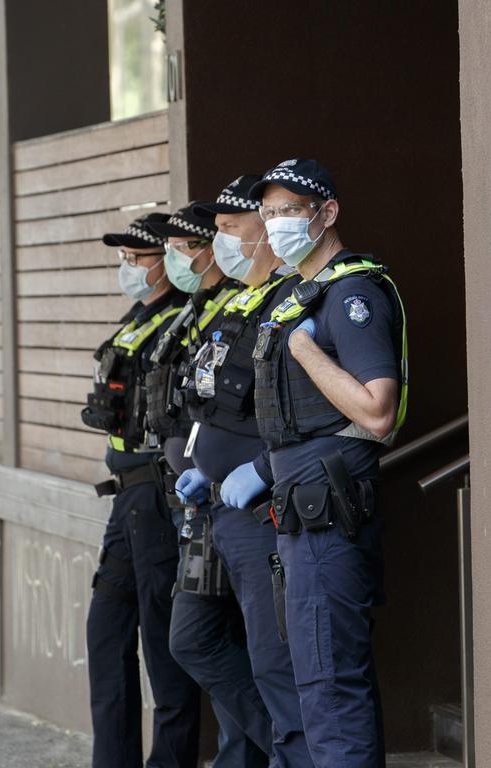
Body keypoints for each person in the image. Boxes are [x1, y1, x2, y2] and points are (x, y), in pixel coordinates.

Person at [248, 158, 408, 767]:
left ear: (327, 214)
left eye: (289, 211)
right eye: (268, 214)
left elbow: (377, 410)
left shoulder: (352, 293)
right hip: (303, 508)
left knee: (331, 687)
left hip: (328, 511)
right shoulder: (301, 294)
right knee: (318, 682)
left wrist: (306, 352)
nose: (276, 225)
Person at [169, 175, 314, 767]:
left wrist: (258, 467)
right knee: (195, 640)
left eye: (231, 228)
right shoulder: (235, 302)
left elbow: (310, 415)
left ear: (266, 231)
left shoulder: (294, 299)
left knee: (276, 660)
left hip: (261, 511)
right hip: (212, 507)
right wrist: (202, 467)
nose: (221, 240)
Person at [144, 201, 272, 768]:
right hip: (198, 497)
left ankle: (275, 751)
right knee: (196, 636)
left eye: (184, 246)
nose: (174, 258)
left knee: (233, 639)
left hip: (243, 502)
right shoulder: (201, 308)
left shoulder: (251, 304)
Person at [82, 213, 201, 768]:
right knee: (105, 634)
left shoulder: (183, 318)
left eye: (138, 257)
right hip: (125, 499)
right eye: (123, 258)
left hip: (157, 497)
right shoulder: (138, 317)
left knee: (163, 648)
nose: (127, 267)